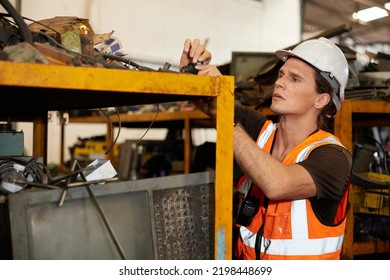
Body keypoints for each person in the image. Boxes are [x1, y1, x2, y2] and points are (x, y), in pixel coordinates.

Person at [179, 37, 352, 260]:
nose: (280, 83)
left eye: (295, 79)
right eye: (281, 75)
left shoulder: (333, 157)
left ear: (321, 100)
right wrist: (191, 69)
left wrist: (228, 121)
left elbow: (276, 184)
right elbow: (207, 103)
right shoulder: (260, 130)